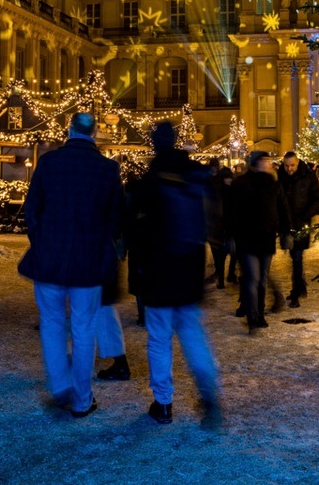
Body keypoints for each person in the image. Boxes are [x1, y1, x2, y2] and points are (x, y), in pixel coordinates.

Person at [18, 112, 124, 418]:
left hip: (50, 257)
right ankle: (81, 398)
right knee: (83, 328)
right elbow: (116, 217)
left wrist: (41, 240)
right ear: (95, 134)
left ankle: (61, 383)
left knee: (51, 323)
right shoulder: (106, 168)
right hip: (88, 262)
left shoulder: (50, 163)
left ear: (69, 130)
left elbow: (33, 209)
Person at [128, 122, 222, 426]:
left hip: (158, 268)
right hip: (189, 265)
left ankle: (164, 403)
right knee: (192, 332)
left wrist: (139, 268)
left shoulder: (151, 179)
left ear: (155, 144)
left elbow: (138, 230)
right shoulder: (194, 172)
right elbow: (212, 216)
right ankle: (208, 394)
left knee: (158, 338)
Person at [227, 151, 290, 333]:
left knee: (261, 279)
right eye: (264, 161)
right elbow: (231, 211)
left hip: (266, 238)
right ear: (255, 164)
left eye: (269, 161)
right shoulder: (241, 183)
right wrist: (230, 235)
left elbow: (283, 208)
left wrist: (286, 231)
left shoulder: (273, 184)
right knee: (253, 278)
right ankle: (252, 316)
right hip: (246, 239)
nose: (268, 164)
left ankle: (259, 313)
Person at [277, 151, 319, 308]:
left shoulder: (308, 176)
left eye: (292, 165)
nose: (289, 169)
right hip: (285, 224)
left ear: (298, 163)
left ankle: (296, 292)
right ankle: (300, 287)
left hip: (301, 223)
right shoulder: (280, 176)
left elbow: (318, 198)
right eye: (286, 166)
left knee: (297, 258)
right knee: (293, 257)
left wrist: (306, 214)